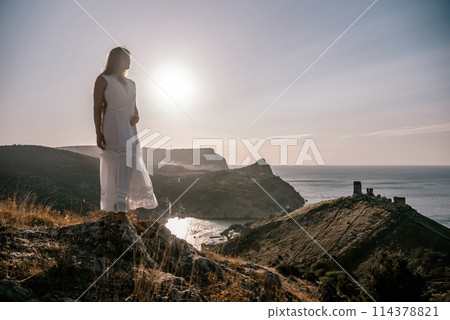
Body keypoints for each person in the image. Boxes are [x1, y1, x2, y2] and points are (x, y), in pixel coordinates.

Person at [93, 46, 158, 223]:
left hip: (129, 127)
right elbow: (97, 107)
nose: (130, 61)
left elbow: (134, 109)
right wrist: (98, 133)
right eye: (126, 58)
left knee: (130, 163)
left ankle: (121, 206)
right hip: (112, 123)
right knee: (117, 162)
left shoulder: (132, 84)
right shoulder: (103, 79)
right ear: (116, 59)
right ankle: (119, 209)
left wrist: (136, 117)